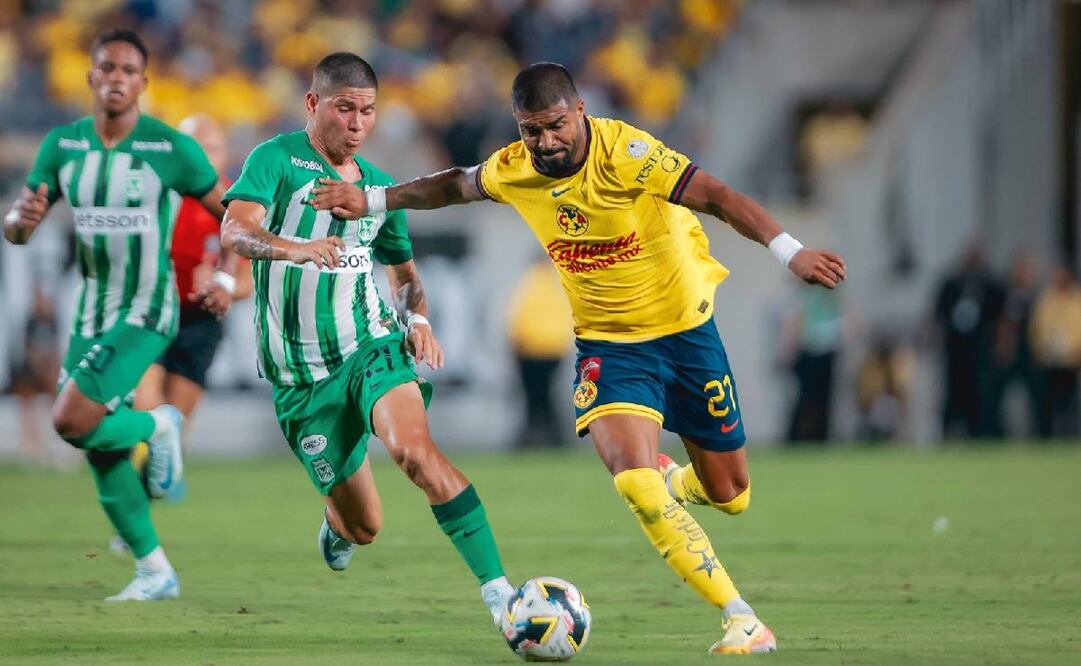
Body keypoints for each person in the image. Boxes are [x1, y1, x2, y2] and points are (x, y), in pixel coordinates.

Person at [308, 61, 847, 654]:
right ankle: (742, 617)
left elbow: (717, 196)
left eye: (556, 126)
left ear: (581, 111)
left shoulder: (629, 153)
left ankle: (681, 483)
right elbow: (453, 184)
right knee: (636, 485)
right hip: (609, 345)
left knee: (731, 494)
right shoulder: (517, 168)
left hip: (687, 334)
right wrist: (375, 198)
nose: (544, 142)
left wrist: (789, 252)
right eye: (529, 130)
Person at [218, 52, 515, 631]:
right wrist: (293, 247)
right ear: (313, 104)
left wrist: (419, 321)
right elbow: (235, 230)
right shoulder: (275, 160)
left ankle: (502, 597)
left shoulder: (379, 189)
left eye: (368, 112)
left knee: (414, 452)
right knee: (365, 527)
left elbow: (404, 278)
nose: (357, 124)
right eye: (344, 109)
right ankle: (338, 523)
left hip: (371, 347)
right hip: (302, 379)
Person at [2, 29, 238, 601]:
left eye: (129, 70)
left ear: (143, 82)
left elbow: (235, 213)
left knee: (67, 420)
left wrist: (228, 276)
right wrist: (19, 220)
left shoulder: (167, 148)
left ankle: (159, 426)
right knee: (99, 448)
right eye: (107, 67)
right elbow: (18, 227)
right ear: (90, 76)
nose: (116, 78)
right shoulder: (62, 146)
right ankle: (154, 570)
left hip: (147, 309)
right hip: (90, 309)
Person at [506, 257, 574, 447]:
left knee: (533, 396)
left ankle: (532, 434)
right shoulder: (557, 284)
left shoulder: (528, 284)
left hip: (530, 349)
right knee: (547, 394)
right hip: (554, 349)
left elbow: (516, 315)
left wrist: (515, 342)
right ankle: (555, 435)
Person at [1029, 264, 1081, 439]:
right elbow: (1036, 328)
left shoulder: (1076, 299)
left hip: (1071, 361)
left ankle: (1070, 435)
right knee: (1047, 402)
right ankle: (1047, 437)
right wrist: (1041, 350)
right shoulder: (1047, 299)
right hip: (1049, 360)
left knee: (1070, 402)